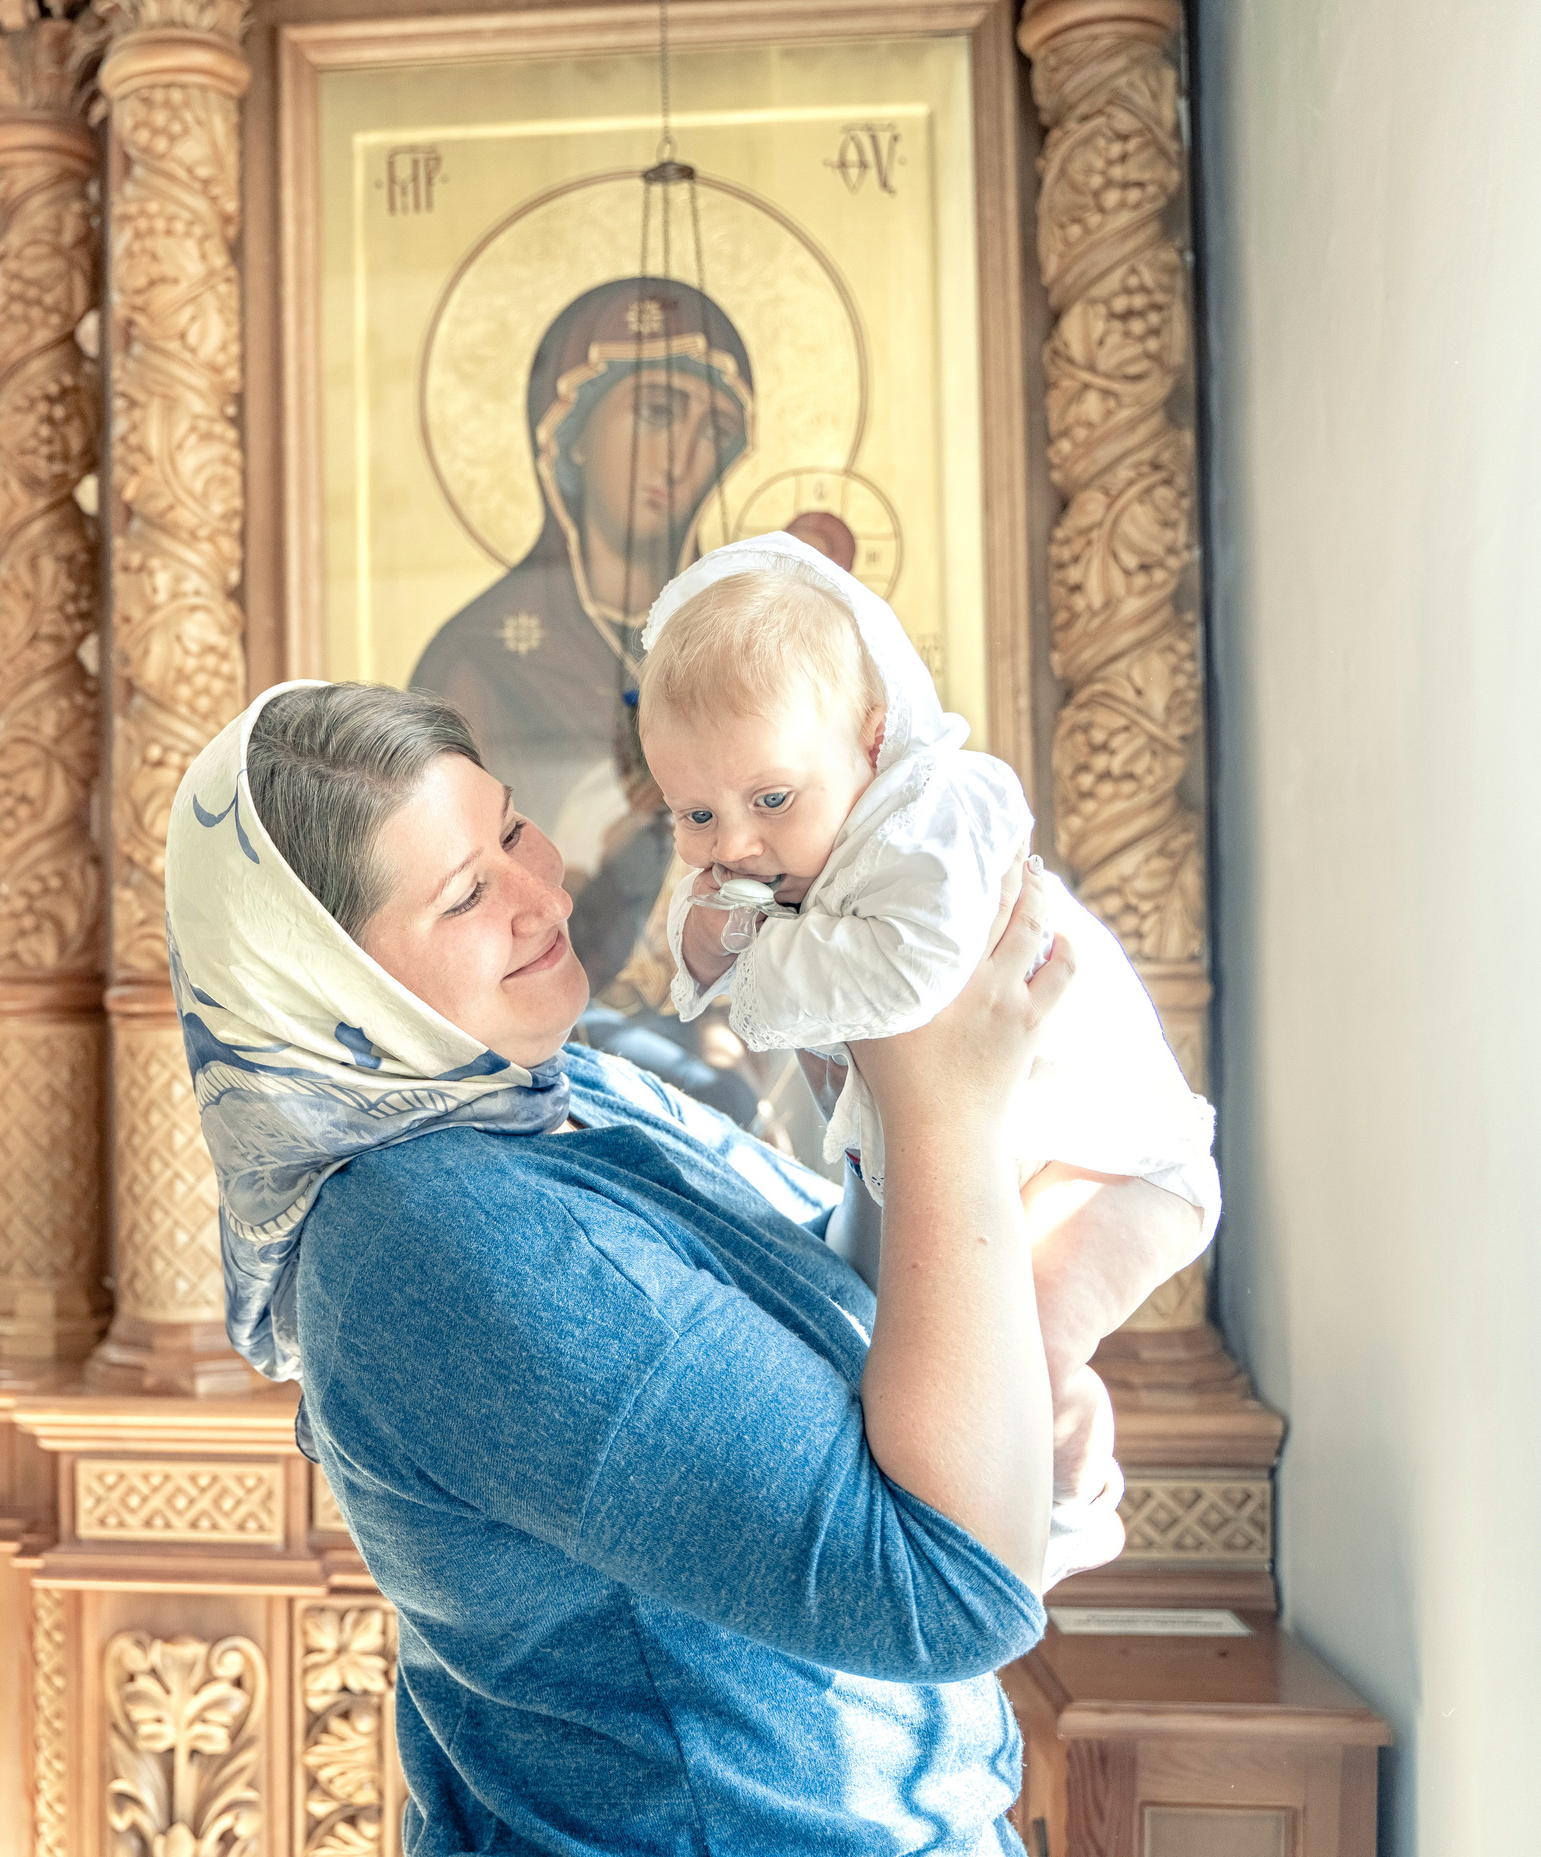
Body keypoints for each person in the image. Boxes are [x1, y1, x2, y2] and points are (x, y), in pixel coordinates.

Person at [168, 679, 1152, 1854]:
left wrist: (1016, 1336)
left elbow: (877, 1329)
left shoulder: (565, 1090)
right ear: (328, 985)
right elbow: (946, 1589)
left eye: (513, 829)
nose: (544, 891)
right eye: (467, 894)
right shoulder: (436, 1236)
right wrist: (940, 1101)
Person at [639, 532, 1217, 1492]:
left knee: (1017, 1360)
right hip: (954, 1161)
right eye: (694, 814)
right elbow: (707, 938)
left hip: (1109, 1163)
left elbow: (909, 978)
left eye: (770, 796)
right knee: (893, 1362)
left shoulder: (940, 812)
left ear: (871, 740)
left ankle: (1061, 1468)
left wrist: (745, 949)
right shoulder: (797, 844)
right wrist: (702, 939)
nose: (732, 842)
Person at [410, 276, 756, 994]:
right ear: (567, 435)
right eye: (658, 412)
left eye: (713, 432)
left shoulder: (749, 648)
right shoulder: (479, 659)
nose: (681, 458)